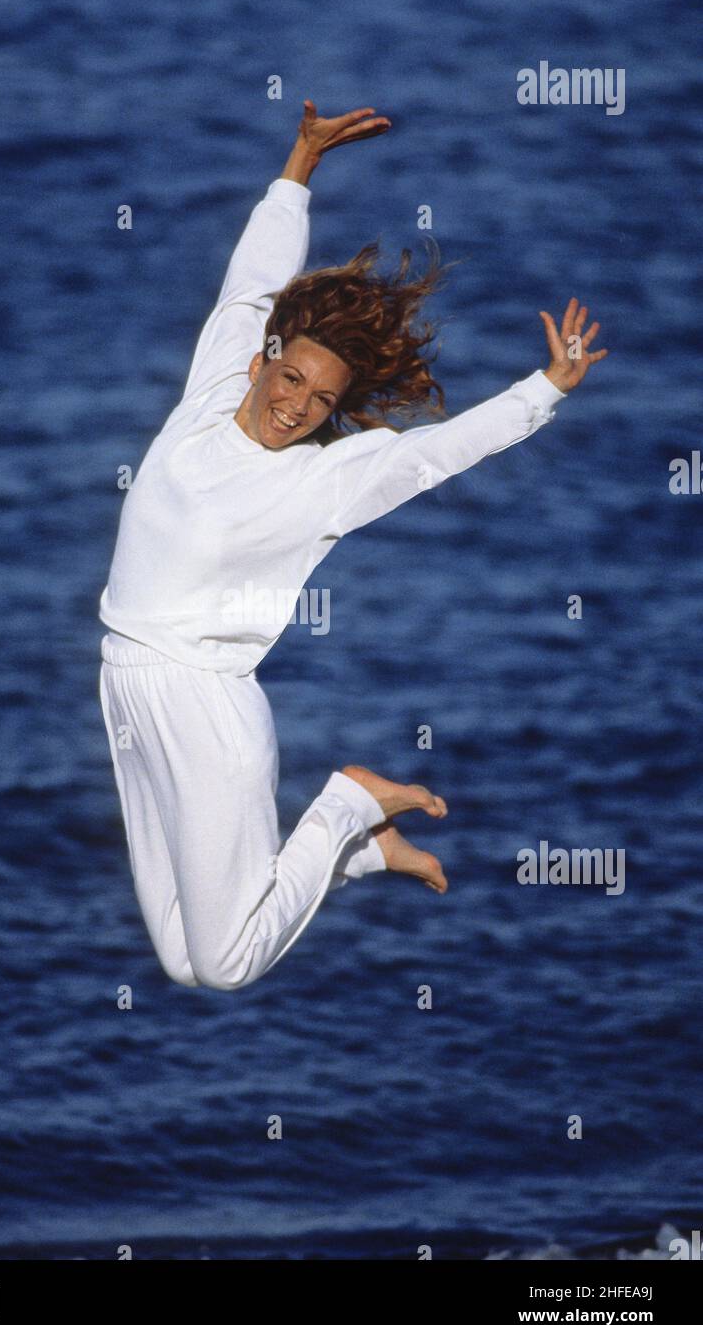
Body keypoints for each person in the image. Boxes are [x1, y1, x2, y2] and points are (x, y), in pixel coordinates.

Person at [97, 99, 607, 991]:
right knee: (181, 957)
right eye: (291, 378)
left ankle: (349, 804)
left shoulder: (320, 482)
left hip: (209, 711)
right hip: (124, 683)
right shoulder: (212, 393)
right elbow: (249, 283)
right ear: (264, 363)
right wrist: (298, 166)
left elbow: (432, 455)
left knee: (223, 965)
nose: (296, 405)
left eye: (320, 402)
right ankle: (361, 854)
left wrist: (546, 388)